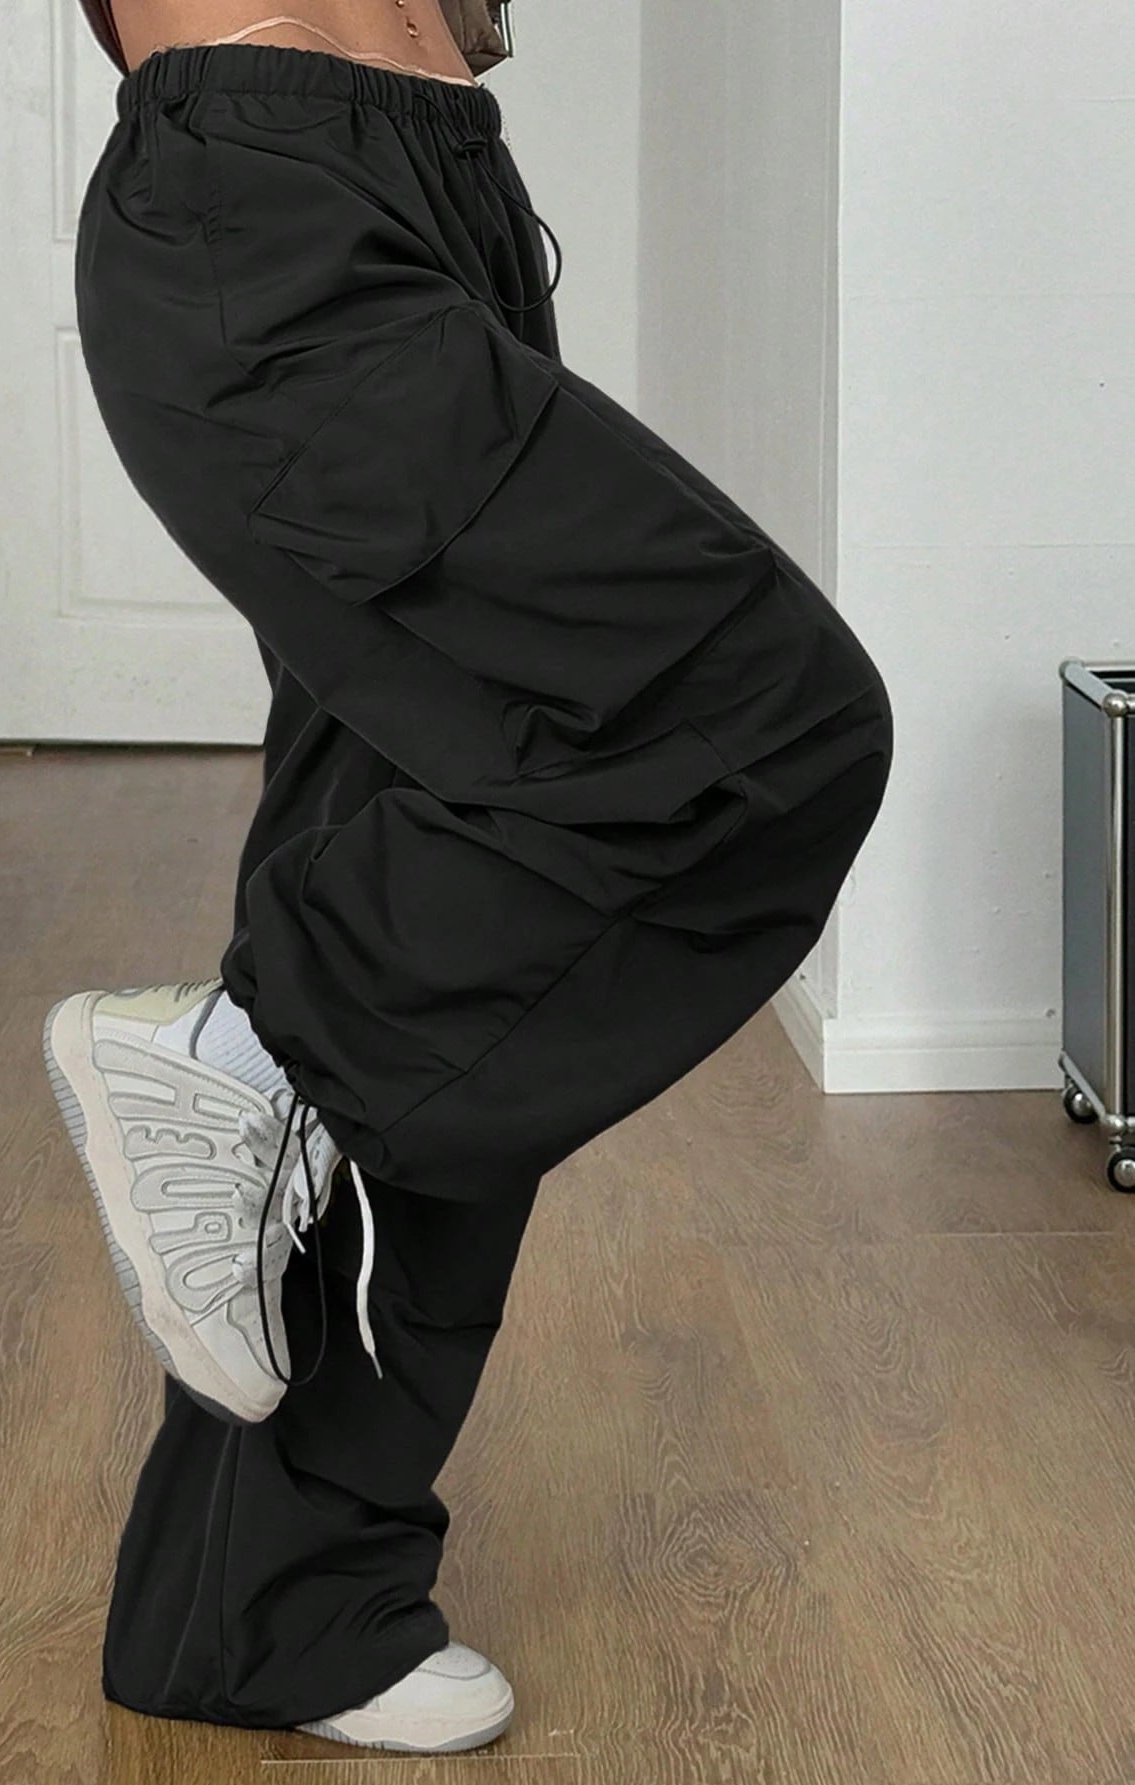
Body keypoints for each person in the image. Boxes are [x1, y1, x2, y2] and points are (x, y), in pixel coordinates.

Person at [45, 0, 895, 1755]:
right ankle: (250, 1049)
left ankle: (268, 1606)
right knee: (767, 720)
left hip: (424, 176)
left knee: (453, 956)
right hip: (266, 191)